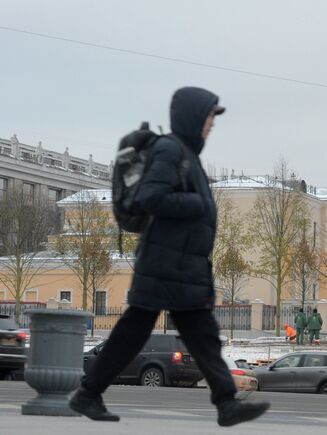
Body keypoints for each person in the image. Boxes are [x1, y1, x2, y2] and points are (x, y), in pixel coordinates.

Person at [68, 87, 269, 426]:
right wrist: (196, 204)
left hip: (180, 266)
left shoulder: (186, 153)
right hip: (166, 265)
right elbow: (151, 196)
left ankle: (225, 402)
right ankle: (88, 393)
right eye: (209, 117)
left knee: (198, 336)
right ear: (192, 116)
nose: (212, 124)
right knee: (143, 331)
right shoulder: (170, 149)